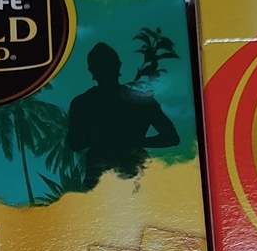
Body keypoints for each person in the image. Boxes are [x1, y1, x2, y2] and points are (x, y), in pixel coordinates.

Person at [66, 42, 178, 189]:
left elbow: (171, 137)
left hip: (116, 172)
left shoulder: (82, 102)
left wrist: (130, 141)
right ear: (118, 65)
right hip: (113, 173)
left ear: (91, 70)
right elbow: (73, 142)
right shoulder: (140, 100)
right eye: (102, 65)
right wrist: (133, 141)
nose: (105, 70)